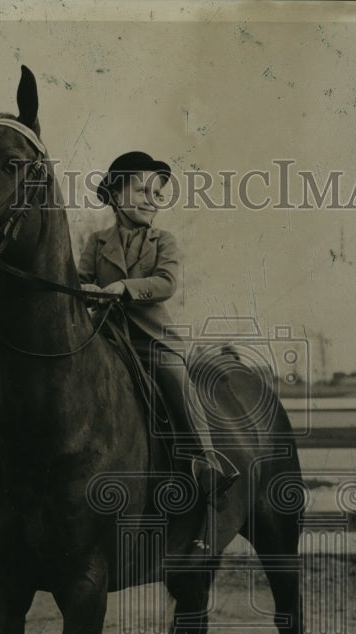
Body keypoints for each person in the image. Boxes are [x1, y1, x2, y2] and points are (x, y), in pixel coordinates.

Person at [78, 151, 238, 549]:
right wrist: (86, 291)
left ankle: (208, 466)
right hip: (105, 339)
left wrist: (124, 289)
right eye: (142, 190)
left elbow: (166, 283)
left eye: (157, 193)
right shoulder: (95, 242)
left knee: (178, 383)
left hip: (152, 342)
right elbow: (78, 280)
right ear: (116, 195)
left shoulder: (163, 241)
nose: (152, 199)